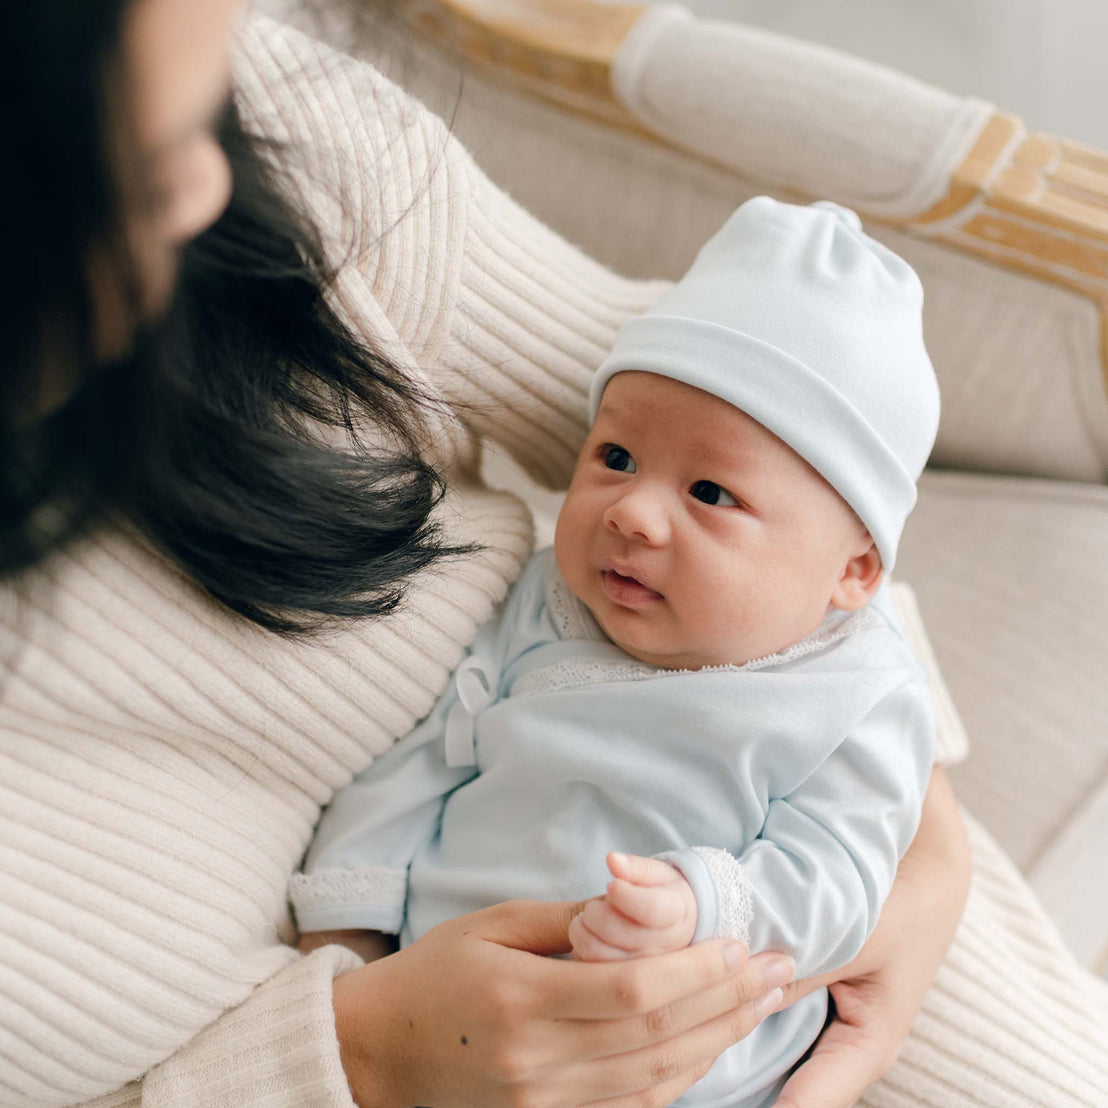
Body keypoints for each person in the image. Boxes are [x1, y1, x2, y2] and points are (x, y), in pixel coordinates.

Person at [3, 1, 1099, 1106]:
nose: (209, 188)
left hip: (780, 982)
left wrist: (910, 865)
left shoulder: (275, 141)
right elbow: (427, 764)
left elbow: (763, 411)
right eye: (144, 162)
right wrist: (358, 1047)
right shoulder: (545, 614)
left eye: (207, 114)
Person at [291, 196, 939, 1108]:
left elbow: (842, 878)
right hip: (445, 1017)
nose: (632, 512)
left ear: (853, 572)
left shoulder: (857, 696)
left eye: (711, 491)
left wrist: (705, 904)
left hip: (680, 1064)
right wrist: (348, 928)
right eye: (617, 457)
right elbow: (427, 754)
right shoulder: (545, 598)